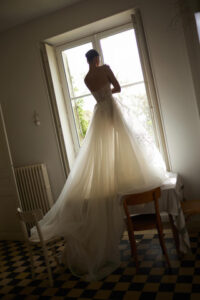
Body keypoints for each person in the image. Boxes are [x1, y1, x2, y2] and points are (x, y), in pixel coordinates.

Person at [31, 49, 167, 281]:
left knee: (104, 150)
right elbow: (118, 88)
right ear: (97, 59)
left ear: (87, 61)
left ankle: (112, 178)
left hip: (100, 114)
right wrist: (109, 91)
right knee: (127, 143)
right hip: (111, 109)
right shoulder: (105, 69)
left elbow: (97, 94)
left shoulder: (86, 78)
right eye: (98, 58)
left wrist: (102, 95)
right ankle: (129, 176)